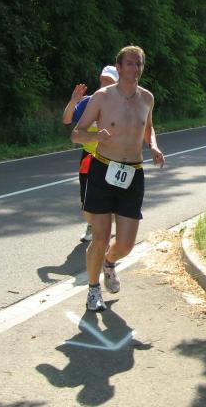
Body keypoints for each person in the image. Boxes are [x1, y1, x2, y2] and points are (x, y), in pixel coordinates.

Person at [71, 46, 165, 312]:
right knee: (100, 238)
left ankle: (109, 262)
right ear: (119, 67)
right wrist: (95, 136)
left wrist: (153, 146)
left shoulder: (147, 98)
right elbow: (76, 134)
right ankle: (93, 290)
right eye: (131, 63)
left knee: (125, 244)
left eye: (139, 64)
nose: (135, 69)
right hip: (103, 169)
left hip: (133, 172)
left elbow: (148, 127)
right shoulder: (102, 97)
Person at [62, 65, 119, 242]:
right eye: (103, 79)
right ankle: (92, 224)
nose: (105, 83)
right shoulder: (89, 101)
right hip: (89, 157)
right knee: (85, 196)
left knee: (109, 194)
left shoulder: (121, 104)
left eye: (109, 81)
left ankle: (104, 224)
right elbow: (67, 120)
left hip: (112, 158)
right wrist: (73, 101)